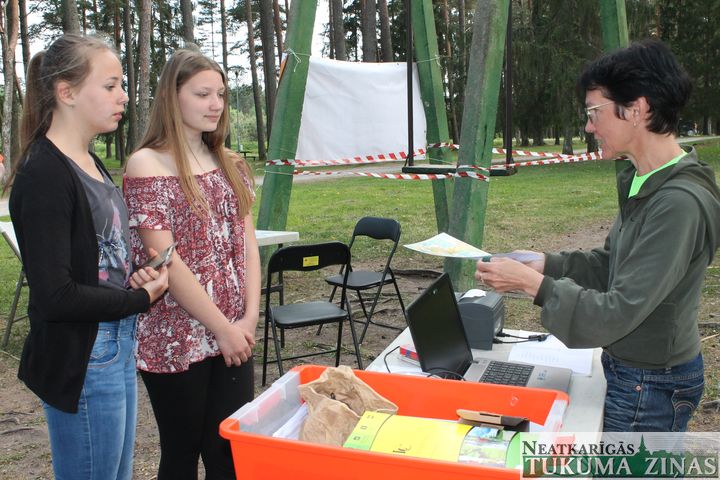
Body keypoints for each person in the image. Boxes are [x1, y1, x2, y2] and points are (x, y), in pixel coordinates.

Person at [475, 39, 719, 432]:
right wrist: (546, 264)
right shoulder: (647, 181)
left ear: (636, 109)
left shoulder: (677, 202)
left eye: (594, 112)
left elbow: (616, 312)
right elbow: (615, 265)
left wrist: (535, 285)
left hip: (650, 384)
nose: (589, 126)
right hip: (635, 374)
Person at [6, 34, 169, 479]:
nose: (124, 96)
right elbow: (55, 295)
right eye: (111, 85)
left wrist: (135, 277)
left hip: (114, 341)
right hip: (85, 354)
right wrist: (139, 299)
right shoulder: (44, 173)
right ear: (67, 92)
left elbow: (96, 261)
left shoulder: (89, 161)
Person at [124, 48, 260, 479]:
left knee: (229, 454)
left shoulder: (230, 162)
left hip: (235, 329)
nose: (216, 104)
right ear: (173, 96)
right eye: (203, 94)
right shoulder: (147, 164)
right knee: (182, 454)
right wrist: (222, 328)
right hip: (177, 334)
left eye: (220, 94)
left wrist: (249, 318)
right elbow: (166, 260)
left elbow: (247, 245)